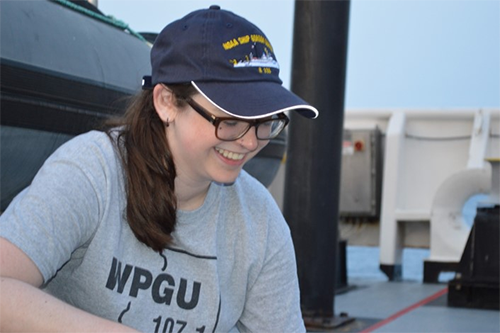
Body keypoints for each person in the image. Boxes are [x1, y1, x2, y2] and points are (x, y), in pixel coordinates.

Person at [0, 5, 318, 332]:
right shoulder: (93, 171)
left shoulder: (259, 220)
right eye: (230, 120)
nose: (250, 142)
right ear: (166, 101)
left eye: (265, 122)